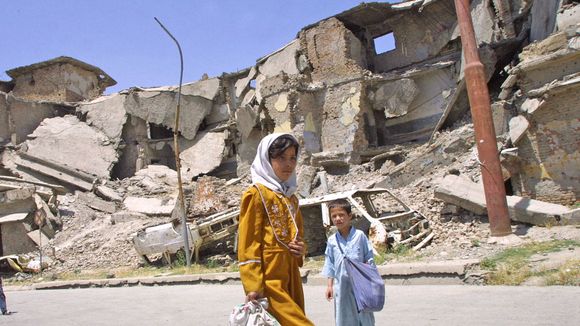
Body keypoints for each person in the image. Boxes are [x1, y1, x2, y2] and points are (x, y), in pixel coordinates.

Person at [237, 133, 314, 325]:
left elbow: (298, 235)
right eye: (281, 158)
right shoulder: (256, 194)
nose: (288, 164)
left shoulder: (291, 198)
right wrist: (253, 284)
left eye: (292, 158)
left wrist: (300, 250)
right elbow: (248, 243)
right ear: (267, 159)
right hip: (269, 279)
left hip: (291, 275)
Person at [322, 199, 375, 325]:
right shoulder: (332, 241)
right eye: (334, 216)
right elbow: (330, 263)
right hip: (342, 287)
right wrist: (329, 286)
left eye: (341, 215)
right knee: (344, 316)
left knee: (364, 315)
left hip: (361, 285)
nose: (338, 219)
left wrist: (370, 276)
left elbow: (369, 257)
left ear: (349, 216)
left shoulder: (360, 236)